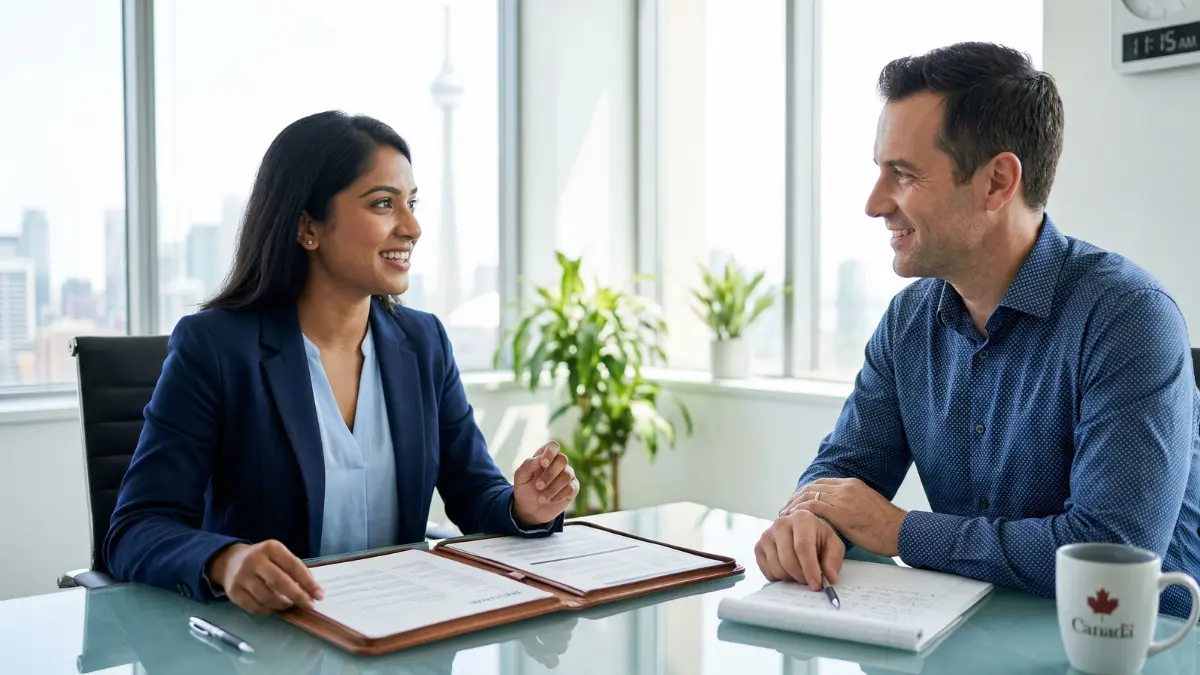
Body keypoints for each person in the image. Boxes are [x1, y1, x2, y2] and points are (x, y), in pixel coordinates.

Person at [756, 42, 1200, 618]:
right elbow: (846, 471)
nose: (873, 204)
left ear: (996, 183)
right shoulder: (908, 322)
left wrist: (902, 532)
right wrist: (807, 519)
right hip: (972, 631)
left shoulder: (1129, 318)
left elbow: (1111, 554)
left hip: (1143, 648)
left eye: (904, 174)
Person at [105, 111, 580, 616]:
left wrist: (523, 509)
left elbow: (473, 491)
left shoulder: (424, 342)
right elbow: (136, 528)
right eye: (383, 204)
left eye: (412, 204)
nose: (413, 227)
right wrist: (227, 559)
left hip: (394, 635)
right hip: (269, 642)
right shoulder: (216, 348)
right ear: (308, 226)